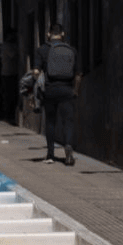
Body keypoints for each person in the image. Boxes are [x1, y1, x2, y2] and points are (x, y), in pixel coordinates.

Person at [33, 23, 81, 165]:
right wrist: (75, 91)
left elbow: (35, 72)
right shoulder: (72, 50)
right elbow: (78, 74)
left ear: (48, 34)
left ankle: (50, 154)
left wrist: (39, 85)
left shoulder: (42, 50)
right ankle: (68, 148)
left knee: (50, 121)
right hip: (67, 89)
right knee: (68, 121)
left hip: (50, 90)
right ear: (63, 34)